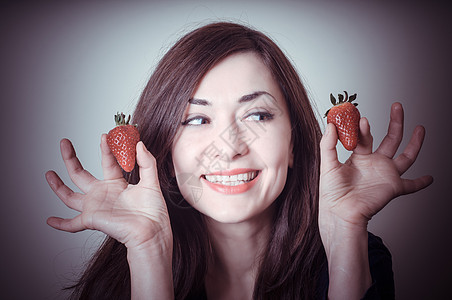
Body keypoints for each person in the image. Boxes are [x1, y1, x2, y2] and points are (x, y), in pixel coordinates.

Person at [45, 22, 433, 299]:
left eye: (258, 116)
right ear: (163, 150)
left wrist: (345, 233)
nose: (230, 149)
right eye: (197, 119)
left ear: (297, 142)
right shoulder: (120, 277)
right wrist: (148, 255)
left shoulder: (361, 255)